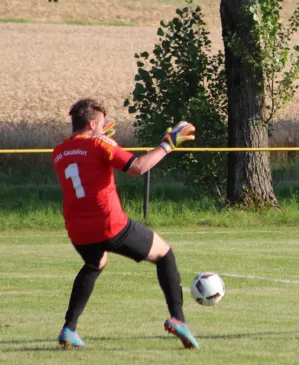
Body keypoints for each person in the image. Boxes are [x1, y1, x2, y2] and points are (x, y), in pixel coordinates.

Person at [52, 98, 198, 348]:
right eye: (101, 124)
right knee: (164, 254)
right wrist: (168, 144)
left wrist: (103, 138)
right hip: (110, 224)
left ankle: (69, 328)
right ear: (91, 123)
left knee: (95, 263)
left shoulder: (59, 152)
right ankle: (179, 319)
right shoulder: (100, 144)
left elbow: (87, 158)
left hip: (78, 230)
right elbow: (138, 167)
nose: (104, 127)